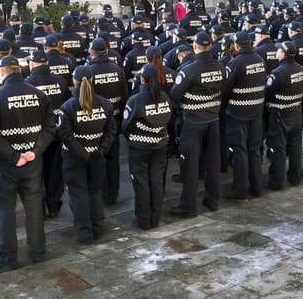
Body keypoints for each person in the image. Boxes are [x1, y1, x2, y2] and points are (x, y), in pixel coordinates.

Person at [0, 55, 57, 267]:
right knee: (34, 206)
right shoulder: (39, 95)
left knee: (5, 209)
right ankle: (37, 251)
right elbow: (50, 127)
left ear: (3, 72)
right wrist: (35, 151)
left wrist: (13, 156)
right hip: (32, 162)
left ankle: (7, 258)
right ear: (20, 71)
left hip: (5, 163)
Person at [58, 66, 117, 242]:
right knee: (95, 191)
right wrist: (101, 150)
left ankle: (84, 233)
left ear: (74, 81)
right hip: (97, 157)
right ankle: (98, 227)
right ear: (92, 80)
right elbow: (112, 130)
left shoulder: (67, 106)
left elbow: (65, 135)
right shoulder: (105, 104)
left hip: (74, 158)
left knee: (78, 194)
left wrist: (83, 153)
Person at [170, 31, 224, 217]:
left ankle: (188, 205)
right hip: (213, 119)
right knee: (213, 162)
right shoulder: (220, 66)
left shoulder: (189, 70)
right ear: (210, 46)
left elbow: (175, 95)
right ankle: (212, 199)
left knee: (191, 165)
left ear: (195, 47)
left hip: (193, 121)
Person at [123, 63, 172, 229]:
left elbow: (126, 126)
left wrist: (134, 138)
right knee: (156, 181)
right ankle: (155, 218)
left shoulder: (135, 100)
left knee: (141, 182)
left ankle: (144, 220)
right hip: (160, 145)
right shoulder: (165, 97)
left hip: (139, 147)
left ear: (142, 79)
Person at [24, 49, 70, 218]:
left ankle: (41, 208)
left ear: (33, 64)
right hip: (57, 134)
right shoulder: (60, 81)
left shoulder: (27, 83)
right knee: (55, 170)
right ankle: (54, 205)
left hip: (37, 138)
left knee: (37, 173)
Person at [222, 30, 266, 200]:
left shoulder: (235, 64)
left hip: (237, 113)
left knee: (239, 151)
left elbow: (225, 90)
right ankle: (256, 187)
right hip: (256, 112)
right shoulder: (259, 60)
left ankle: (240, 190)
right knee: (254, 150)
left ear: (237, 45)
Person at [85, 38, 128, 205]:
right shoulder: (117, 69)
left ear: (91, 53)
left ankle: (101, 193)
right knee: (113, 159)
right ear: (107, 51)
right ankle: (113, 193)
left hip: (95, 124)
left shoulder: (88, 72)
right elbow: (125, 96)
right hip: (114, 122)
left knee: (97, 159)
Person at [264, 41, 303, 190]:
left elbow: (267, 93)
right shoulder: (299, 69)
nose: (276, 52)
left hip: (280, 115)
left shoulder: (278, 73)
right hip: (296, 113)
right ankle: (295, 177)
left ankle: (277, 181)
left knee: (278, 148)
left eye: (279, 50)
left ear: (283, 53)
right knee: (295, 147)